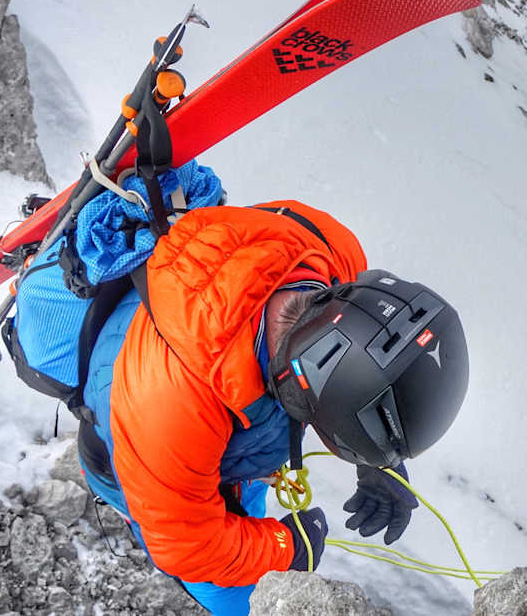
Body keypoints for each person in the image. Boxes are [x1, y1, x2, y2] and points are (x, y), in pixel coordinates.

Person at [73, 200, 469, 615]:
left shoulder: (333, 255)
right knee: (247, 604)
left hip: (229, 422)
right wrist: (286, 549)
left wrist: (376, 456)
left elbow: (359, 353)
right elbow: (187, 545)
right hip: (144, 466)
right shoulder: (171, 410)